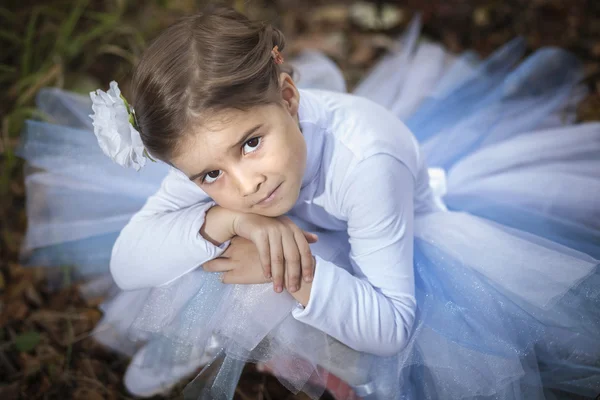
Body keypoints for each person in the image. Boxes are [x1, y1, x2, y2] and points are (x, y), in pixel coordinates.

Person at [18, 6, 600, 400]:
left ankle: (339, 369)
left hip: (399, 246)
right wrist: (227, 218)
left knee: (267, 269)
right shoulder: (220, 164)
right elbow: (128, 263)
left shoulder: (369, 163)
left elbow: (395, 324)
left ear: (289, 97)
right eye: (211, 173)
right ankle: (209, 335)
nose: (245, 181)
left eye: (251, 143)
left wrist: (282, 270)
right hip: (311, 227)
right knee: (203, 239)